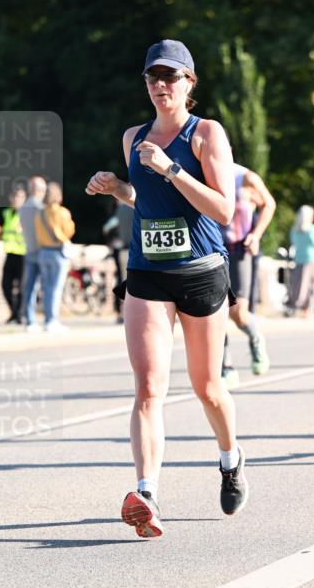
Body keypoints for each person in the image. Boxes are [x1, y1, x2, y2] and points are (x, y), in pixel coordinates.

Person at [86, 38, 247, 538]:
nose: (160, 85)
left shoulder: (206, 134)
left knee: (207, 387)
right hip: (148, 272)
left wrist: (172, 167)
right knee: (150, 387)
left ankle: (230, 457)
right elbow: (148, 201)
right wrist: (119, 189)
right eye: (153, 77)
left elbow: (223, 210)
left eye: (170, 77)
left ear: (189, 83)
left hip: (201, 271)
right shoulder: (134, 136)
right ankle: (147, 492)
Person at [220, 163, 276, 388]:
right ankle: (226, 366)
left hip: (240, 249)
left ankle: (255, 336)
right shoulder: (199, 172)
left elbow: (269, 204)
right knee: (214, 312)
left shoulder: (245, 178)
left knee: (238, 313)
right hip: (211, 250)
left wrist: (256, 234)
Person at [35, 181, 75, 333]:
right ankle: (53, 320)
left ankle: (47, 320)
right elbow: (69, 231)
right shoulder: (62, 212)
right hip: (58, 253)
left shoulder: (39, 213)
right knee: (56, 288)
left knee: (46, 288)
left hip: (43, 252)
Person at [18, 175, 47, 332]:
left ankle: (29, 319)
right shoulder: (40, 208)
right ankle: (49, 320)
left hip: (29, 250)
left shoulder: (23, 207)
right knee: (47, 288)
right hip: (42, 250)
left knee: (29, 287)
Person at [288, 205, 314, 318]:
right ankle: (307, 309)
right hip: (311, 260)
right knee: (310, 285)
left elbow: (293, 242)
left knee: (298, 284)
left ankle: (297, 307)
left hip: (299, 259)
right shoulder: (313, 229)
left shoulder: (295, 229)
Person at [1, 185, 27, 323]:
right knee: (5, 285)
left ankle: (20, 314)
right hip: (10, 253)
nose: (16, 200)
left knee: (22, 287)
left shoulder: (28, 214)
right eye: (14, 197)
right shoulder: (7, 213)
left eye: (19, 197)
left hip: (23, 254)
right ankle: (15, 312)